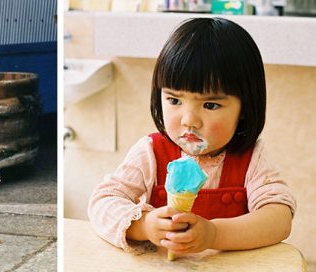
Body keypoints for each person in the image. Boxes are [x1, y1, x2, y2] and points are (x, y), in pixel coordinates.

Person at [87, 17, 296, 257]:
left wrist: (215, 234)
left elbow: (279, 218)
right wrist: (143, 225)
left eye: (210, 105)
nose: (189, 120)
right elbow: (102, 202)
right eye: (174, 100)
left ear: (245, 108)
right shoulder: (150, 153)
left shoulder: (251, 159)